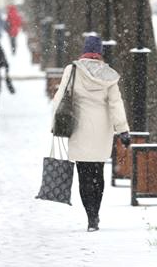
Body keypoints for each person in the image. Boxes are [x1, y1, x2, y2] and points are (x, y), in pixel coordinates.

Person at [51, 35, 130, 232]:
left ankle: (90, 216)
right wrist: (122, 129)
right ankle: (96, 213)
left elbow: (60, 97)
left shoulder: (73, 70)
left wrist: (55, 123)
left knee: (83, 174)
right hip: (102, 130)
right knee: (98, 173)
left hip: (78, 128)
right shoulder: (109, 75)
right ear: (100, 52)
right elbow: (115, 103)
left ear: (84, 50)